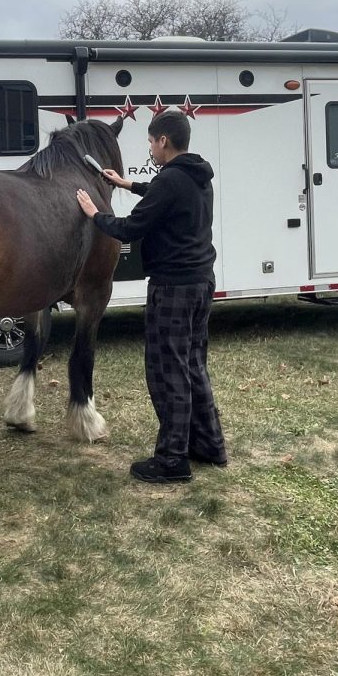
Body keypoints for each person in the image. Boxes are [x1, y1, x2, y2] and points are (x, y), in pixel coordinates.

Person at [76, 109, 226, 484]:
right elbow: (164, 195)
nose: (149, 148)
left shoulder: (170, 181)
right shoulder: (196, 174)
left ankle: (173, 459)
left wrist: (95, 214)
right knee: (192, 364)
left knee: (167, 371)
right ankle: (209, 444)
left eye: (150, 141)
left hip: (173, 287)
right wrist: (126, 184)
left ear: (163, 141)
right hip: (200, 282)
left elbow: (129, 228)